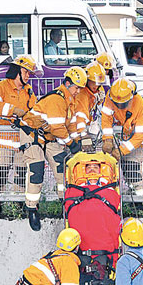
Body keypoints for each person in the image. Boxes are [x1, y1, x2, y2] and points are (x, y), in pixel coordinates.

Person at [20, 66, 87, 231]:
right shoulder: (57, 99)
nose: (78, 91)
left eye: (80, 88)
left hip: (48, 137)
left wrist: (77, 141)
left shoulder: (69, 100)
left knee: (62, 167)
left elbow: (69, 125)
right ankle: (31, 208)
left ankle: (66, 202)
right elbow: (58, 128)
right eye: (77, 87)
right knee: (36, 170)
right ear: (68, 83)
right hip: (32, 135)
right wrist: (71, 144)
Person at [64, 153, 121, 285]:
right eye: (89, 167)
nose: (92, 169)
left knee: (100, 266)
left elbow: (114, 204)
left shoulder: (108, 190)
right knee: (84, 266)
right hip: (83, 239)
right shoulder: (74, 190)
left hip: (101, 240)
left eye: (96, 167)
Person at [0, 55, 39, 211]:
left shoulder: (29, 91)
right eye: (26, 72)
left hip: (21, 141)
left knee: (21, 174)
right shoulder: (1, 87)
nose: (28, 76)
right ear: (18, 71)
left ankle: (19, 204)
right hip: (2, 141)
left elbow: (34, 111)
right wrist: (13, 111)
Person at [101, 77, 143, 196]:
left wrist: (121, 150)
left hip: (142, 142)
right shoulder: (111, 97)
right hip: (128, 139)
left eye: (123, 104)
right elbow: (106, 119)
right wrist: (108, 139)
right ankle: (134, 193)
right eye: (117, 104)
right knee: (126, 165)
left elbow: (140, 134)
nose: (119, 106)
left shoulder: (138, 102)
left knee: (134, 166)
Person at [74, 61, 106, 150]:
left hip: (88, 124)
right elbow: (80, 115)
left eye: (99, 83)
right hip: (77, 128)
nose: (96, 85)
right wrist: (84, 135)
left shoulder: (97, 89)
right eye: (94, 82)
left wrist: (99, 101)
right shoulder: (82, 94)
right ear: (87, 80)